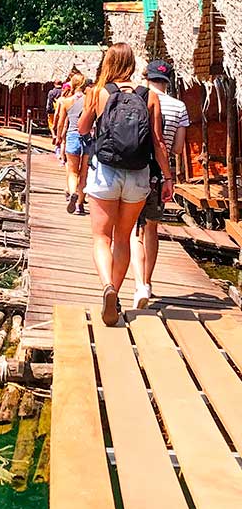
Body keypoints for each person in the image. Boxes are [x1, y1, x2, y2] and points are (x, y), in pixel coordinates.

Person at [78, 43, 173, 326]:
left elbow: (83, 129)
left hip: (106, 172)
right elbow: (157, 143)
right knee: (124, 237)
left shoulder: (99, 93)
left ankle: (107, 286)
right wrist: (168, 179)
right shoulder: (149, 96)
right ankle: (116, 295)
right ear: (132, 65)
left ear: (109, 62)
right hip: (138, 175)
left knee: (101, 238)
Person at [130, 60, 189, 309]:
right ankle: (148, 281)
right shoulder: (180, 106)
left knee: (133, 230)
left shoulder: (137, 98)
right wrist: (169, 176)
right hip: (159, 173)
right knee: (151, 229)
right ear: (169, 80)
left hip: (134, 170)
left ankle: (138, 285)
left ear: (146, 77)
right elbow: (176, 148)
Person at [54, 73, 90, 215]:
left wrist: (58, 138)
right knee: (84, 173)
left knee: (73, 172)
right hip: (88, 137)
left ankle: (73, 192)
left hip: (72, 136)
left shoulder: (66, 102)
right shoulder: (90, 101)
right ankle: (81, 203)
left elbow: (61, 123)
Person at [46, 79, 64, 157]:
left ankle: (54, 135)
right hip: (61, 112)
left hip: (53, 111)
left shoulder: (51, 92)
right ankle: (59, 138)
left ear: (54, 84)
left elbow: (49, 102)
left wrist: (48, 110)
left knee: (52, 125)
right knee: (60, 126)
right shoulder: (64, 92)